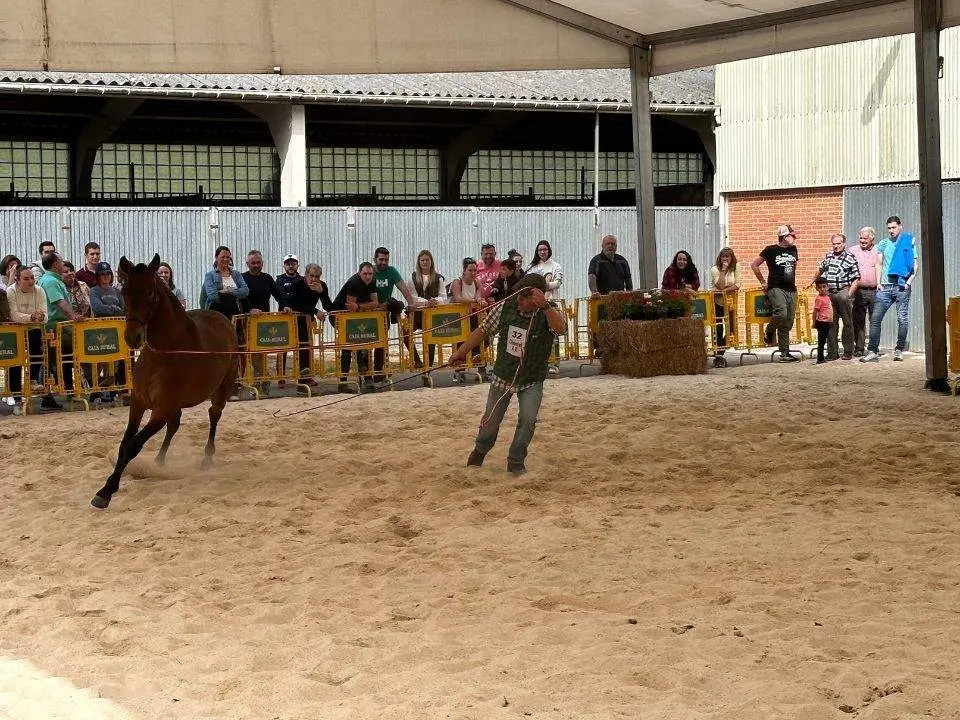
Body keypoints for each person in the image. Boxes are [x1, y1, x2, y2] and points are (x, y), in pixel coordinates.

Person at [449, 274, 567, 475]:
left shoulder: (548, 313)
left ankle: (516, 461)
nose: (519, 301)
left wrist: (546, 307)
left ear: (537, 297)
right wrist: (461, 352)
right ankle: (480, 450)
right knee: (491, 421)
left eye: (524, 298)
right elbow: (483, 331)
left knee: (528, 419)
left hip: (531, 378)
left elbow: (562, 329)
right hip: (504, 374)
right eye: (518, 296)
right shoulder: (505, 307)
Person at [861, 216, 918, 363]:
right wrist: (878, 282)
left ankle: (899, 350)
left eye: (893, 227)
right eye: (889, 228)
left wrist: (908, 283)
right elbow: (878, 263)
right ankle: (873, 351)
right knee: (875, 319)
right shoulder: (883, 244)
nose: (891, 230)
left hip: (901, 287)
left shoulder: (908, 241)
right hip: (885, 287)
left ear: (900, 226)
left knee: (902, 319)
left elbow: (915, 265)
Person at [37, 253, 84, 408]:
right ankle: (47, 396)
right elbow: (59, 302)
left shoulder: (54, 280)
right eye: (61, 261)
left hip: (60, 327)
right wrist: (73, 316)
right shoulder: (50, 281)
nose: (63, 263)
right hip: (53, 328)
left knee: (62, 360)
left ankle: (68, 389)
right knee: (51, 362)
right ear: (56, 264)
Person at [750, 224, 800, 363]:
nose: (795, 237)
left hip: (791, 289)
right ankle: (769, 331)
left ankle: (784, 353)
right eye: (792, 235)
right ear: (785, 237)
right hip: (776, 287)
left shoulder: (793, 249)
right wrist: (763, 282)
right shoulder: (770, 250)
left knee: (788, 321)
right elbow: (754, 265)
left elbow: (793, 267)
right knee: (781, 313)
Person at [808, 233, 860, 360]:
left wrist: (848, 294)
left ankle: (848, 351)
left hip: (843, 291)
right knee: (830, 323)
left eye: (839, 244)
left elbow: (857, 278)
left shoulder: (850, 257)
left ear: (844, 244)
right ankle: (832, 352)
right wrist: (812, 281)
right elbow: (820, 269)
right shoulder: (828, 256)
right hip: (830, 293)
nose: (836, 246)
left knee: (847, 323)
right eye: (834, 244)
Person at [331, 262, 381, 392]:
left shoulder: (372, 281)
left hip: (356, 316)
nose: (368, 277)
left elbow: (375, 303)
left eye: (370, 274)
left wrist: (360, 306)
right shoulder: (354, 283)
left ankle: (367, 377)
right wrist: (363, 306)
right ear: (359, 273)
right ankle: (343, 382)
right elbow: (350, 307)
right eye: (365, 274)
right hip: (340, 316)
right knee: (347, 348)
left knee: (365, 344)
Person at [5, 266, 47, 414]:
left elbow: (45, 315)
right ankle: (16, 399)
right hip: (15, 331)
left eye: (32, 278)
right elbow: (13, 315)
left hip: (33, 329)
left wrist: (39, 317)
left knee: (38, 341)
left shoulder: (39, 290)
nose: (30, 281)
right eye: (26, 278)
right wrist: (31, 317)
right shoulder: (11, 291)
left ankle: (34, 379)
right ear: (17, 280)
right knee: (15, 362)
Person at [372, 247, 416, 383]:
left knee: (382, 341)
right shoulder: (369, 272)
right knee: (369, 342)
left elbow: (403, 288)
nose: (383, 262)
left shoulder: (391, 271)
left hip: (384, 311)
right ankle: (367, 372)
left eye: (386, 260)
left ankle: (379, 372)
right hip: (370, 311)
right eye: (381, 259)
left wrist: (411, 303)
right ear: (374, 260)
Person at [286, 263, 334, 387]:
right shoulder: (297, 284)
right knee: (302, 342)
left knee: (308, 345)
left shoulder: (321, 286)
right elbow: (294, 304)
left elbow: (329, 307)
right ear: (306, 275)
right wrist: (315, 311)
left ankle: (306, 376)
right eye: (311, 276)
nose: (314, 279)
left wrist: (322, 293)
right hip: (294, 317)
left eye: (317, 277)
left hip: (308, 318)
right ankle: (295, 375)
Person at [449, 257, 490, 382]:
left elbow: (478, 296)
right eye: (470, 270)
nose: (473, 273)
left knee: (484, 333)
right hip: (458, 317)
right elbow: (458, 298)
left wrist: (479, 300)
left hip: (472, 315)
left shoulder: (477, 282)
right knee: (461, 341)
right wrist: (474, 301)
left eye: (475, 270)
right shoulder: (457, 282)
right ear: (464, 271)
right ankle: (459, 369)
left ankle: (478, 360)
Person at [408, 249, 446, 374]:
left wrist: (435, 301)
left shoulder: (439, 278)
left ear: (431, 261)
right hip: (416, 315)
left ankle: (427, 370)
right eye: (422, 260)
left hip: (431, 315)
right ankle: (416, 359)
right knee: (405, 333)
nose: (425, 262)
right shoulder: (412, 278)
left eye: (427, 260)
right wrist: (426, 302)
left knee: (430, 341)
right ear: (419, 262)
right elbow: (412, 297)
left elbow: (443, 297)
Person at [847, 227, 883, 357]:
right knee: (858, 320)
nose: (862, 240)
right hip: (859, 291)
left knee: (875, 320)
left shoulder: (879, 249)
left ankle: (873, 348)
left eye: (865, 238)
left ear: (872, 238)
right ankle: (859, 348)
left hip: (875, 291)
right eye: (861, 238)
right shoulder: (852, 251)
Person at [709, 248, 741, 358]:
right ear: (720, 258)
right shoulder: (714, 269)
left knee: (732, 328)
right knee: (718, 327)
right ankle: (719, 353)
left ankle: (722, 348)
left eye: (728, 256)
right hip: (717, 301)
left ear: (731, 258)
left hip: (730, 302)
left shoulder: (736, 267)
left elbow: (737, 285)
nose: (725, 259)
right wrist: (723, 270)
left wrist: (723, 291)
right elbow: (720, 285)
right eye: (723, 256)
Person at [202, 246, 250, 319]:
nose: (226, 259)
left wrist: (227, 291)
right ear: (216, 257)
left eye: (228, 257)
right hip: (216, 314)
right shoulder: (209, 275)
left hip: (236, 313)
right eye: (223, 257)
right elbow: (212, 295)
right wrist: (236, 293)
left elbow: (245, 291)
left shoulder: (236, 274)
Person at [812, 278, 834, 364]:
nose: (822, 289)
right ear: (816, 288)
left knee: (824, 340)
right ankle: (820, 358)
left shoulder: (827, 297)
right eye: (819, 287)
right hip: (822, 322)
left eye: (824, 286)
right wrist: (814, 322)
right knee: (821, 341)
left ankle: (822, 357)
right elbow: (815, 311)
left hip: (827, 322)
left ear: (828, 287)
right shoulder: (819, 299)